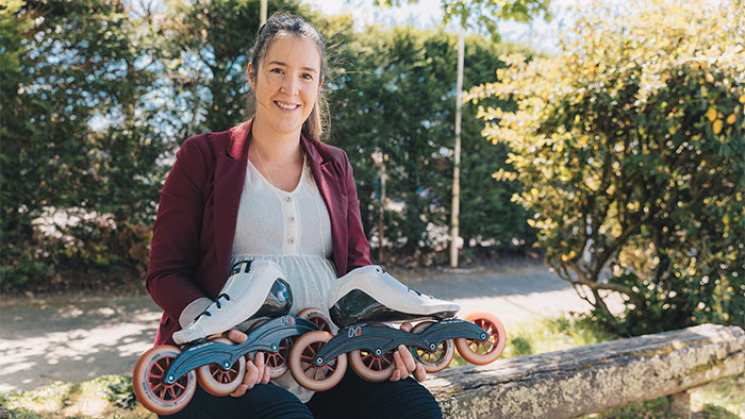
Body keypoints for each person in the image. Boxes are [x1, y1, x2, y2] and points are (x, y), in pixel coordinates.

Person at [145, 12, 443, 419]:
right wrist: (218, 334)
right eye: (278, 70)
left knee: (415, 409)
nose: (291, 88)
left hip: (327, 356)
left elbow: (358, 269)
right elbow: (165, 271)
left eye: (306, 75)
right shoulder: (204, 156)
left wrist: (385, 333)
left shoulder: (335, 165)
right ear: (252, 75)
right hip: (227, 364)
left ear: (319, 86)